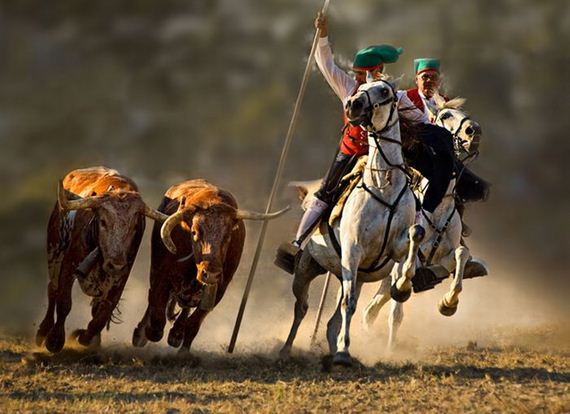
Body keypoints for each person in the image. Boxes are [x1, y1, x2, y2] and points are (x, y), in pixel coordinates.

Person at [288, 13, 456, 251]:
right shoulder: (347, 87)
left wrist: (442, 132)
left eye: (362, 74)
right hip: (352, 151)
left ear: (377, 71)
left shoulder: (396, 97)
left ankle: (416, 242)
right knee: (326, 193)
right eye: (356, 73)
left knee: (418, 186)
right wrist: (323, 34)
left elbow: (421, 120)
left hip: (386, 155)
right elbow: (326, 64)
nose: (357, 78)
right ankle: (298, 245)